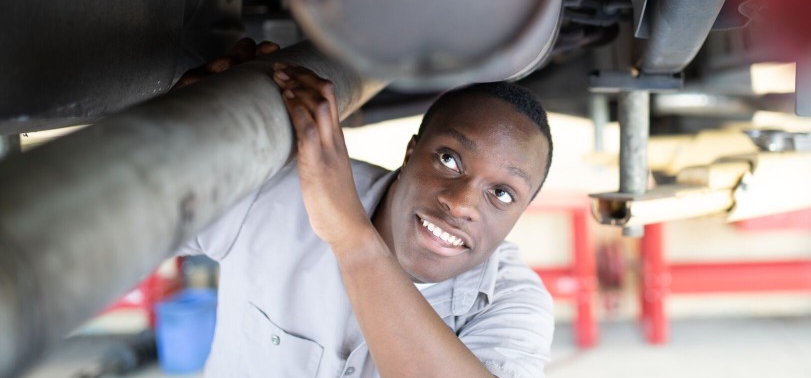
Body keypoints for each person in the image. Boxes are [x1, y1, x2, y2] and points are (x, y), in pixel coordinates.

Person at [177, 41, 555, 378]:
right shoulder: (279, 188)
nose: (460, 203)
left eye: (502, 194)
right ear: (411, 154)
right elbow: (132, 217)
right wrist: (184, 127)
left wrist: (351, 236)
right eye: (449, 159)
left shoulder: (514, 304)